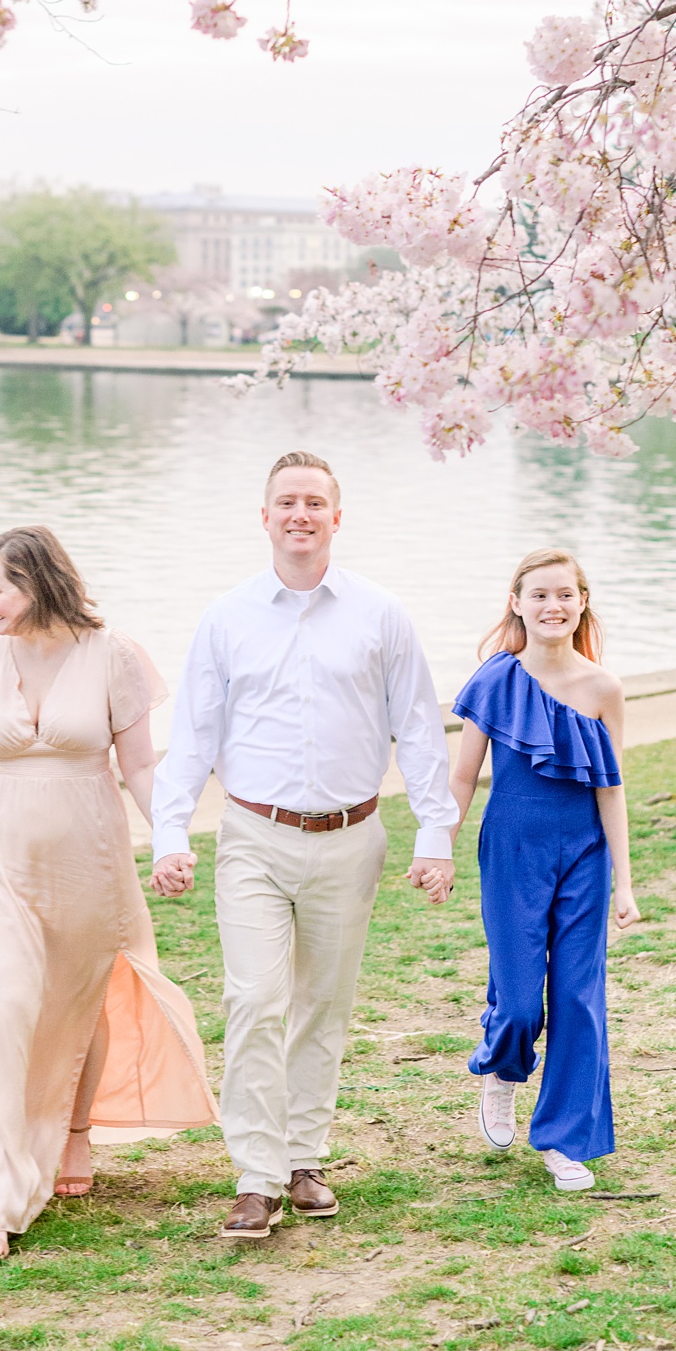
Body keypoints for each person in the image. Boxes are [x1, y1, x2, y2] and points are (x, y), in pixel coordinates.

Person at [151, 450, 457, 1239]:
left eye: (314, 503)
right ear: (264, 516)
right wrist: (168, 828)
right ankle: (254, 1177)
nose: (300, 515)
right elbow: (192, 733)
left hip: (352, 839)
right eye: (286, 501)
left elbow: (419, 728)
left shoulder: (381, 615)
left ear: (336, 517)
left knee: (323, 1004)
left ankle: (302, 1158)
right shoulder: (227, 617)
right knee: (255, 999)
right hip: (253, 834)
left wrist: (436, 832)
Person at [0, 527, 215, 1262]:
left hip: (89, 861)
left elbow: (142, 767)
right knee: (3, 1007)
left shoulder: (114, 657)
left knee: (81, 1004)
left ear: (38, 581)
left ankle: (73, 1136)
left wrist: (170, 838)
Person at [451, 548, 640, 1191]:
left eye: (565, 594)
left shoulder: (604, 688)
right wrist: (437, 847)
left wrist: (625, 881)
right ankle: (502, 1073)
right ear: (517, 603)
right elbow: (462, 774)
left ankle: (566, 1141)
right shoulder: (495, 680)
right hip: (512, 851)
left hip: (584, 854)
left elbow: (611, 789)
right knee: (521, 996)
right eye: (539, 595)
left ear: (582, 602)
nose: (552, 606)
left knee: (579, 1000)